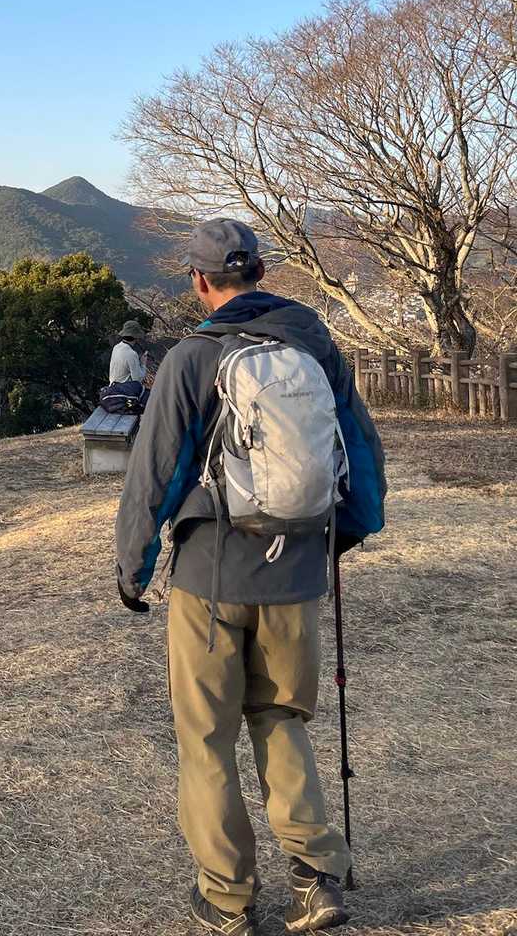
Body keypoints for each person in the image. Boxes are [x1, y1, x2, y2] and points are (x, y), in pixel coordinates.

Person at [115, 219, 386, 935]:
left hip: (210, 579)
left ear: (199, 281)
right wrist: (346, 531)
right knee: (282, 719)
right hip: (296, 571)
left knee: (206, 738)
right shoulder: (315, 347)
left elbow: (155, 473)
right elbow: (359, 445)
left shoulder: (192, 357)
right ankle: (315, 877)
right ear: (260, 273)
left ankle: (228, 898)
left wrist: (133, 568)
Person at [109, 319, 149, 385]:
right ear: (136, 337)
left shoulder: (116, 347)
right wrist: (143, 364)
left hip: (112, 386)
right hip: (124, 388)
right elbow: (137, 379)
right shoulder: (132, 354)